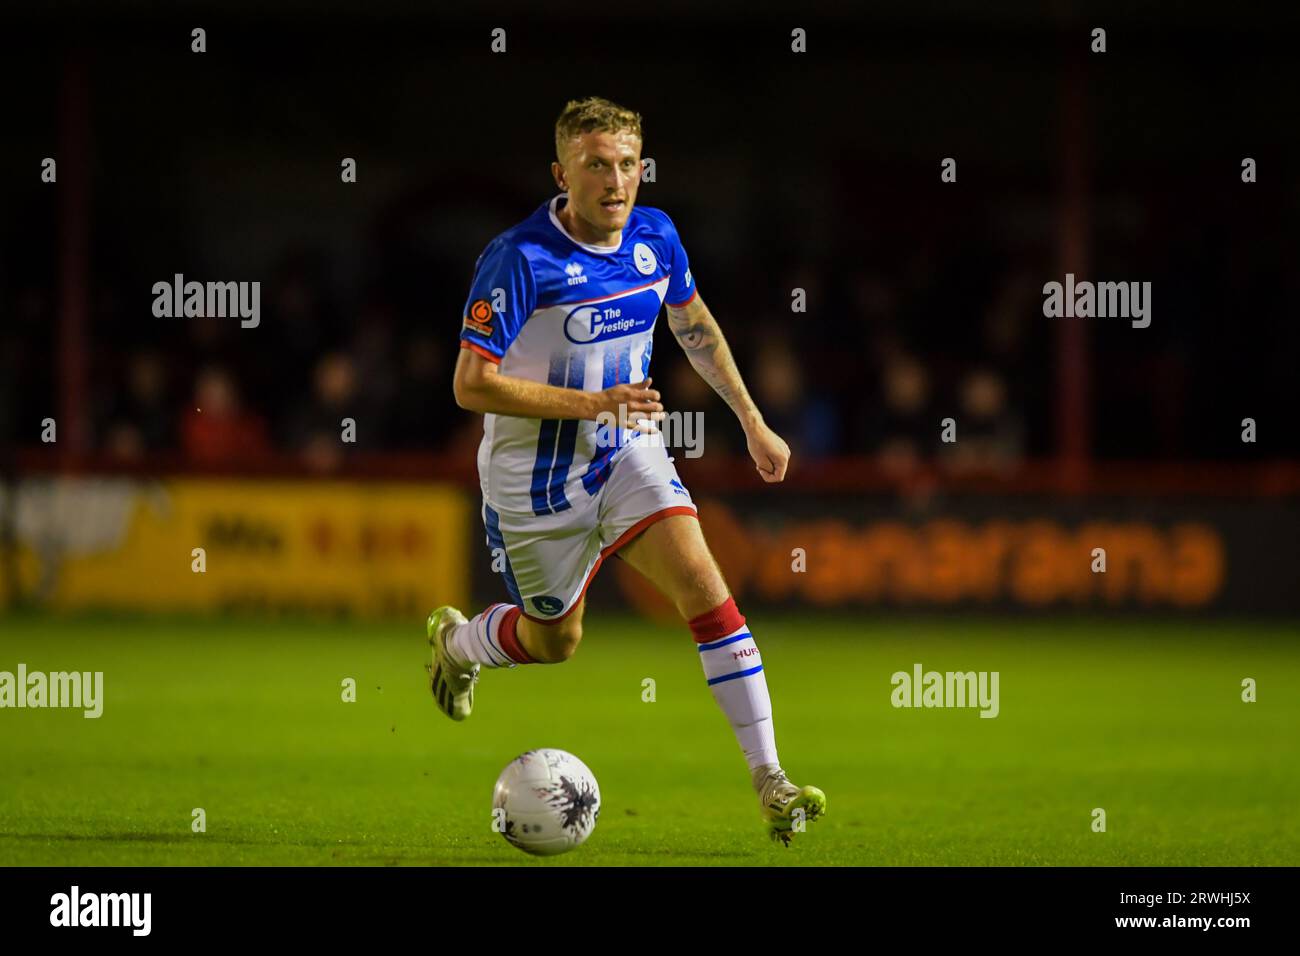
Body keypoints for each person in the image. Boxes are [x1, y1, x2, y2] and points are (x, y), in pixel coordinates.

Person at [428, 97, 824, 844]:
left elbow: (693, 322)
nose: (616, 182)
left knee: (707, 588)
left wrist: (751, 419)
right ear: (562, 175)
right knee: (556, 642)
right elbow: (470, 385)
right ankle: (457, 646)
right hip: (532, 488)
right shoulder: (519, 258)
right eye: (596, 166)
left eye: (628, 166)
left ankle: (771, 782)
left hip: (626, 453)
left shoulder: (656, 235)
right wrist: (593, 401)